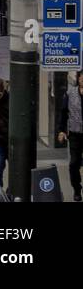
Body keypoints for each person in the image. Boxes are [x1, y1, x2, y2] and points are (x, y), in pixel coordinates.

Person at [57, 70, 83, 202]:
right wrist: (61, 130)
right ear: (78, 79)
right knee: (74, 164)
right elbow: (63, 113)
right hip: (75, 134)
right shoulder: (70, 93)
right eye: (82, 78)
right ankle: (77, 190)